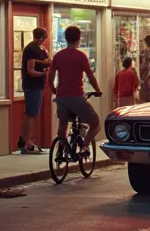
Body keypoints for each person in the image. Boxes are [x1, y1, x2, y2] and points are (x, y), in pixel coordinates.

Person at [50, 26, 102, 151]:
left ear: (66, 38)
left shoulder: (58, 56)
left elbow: (50, 76)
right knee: (95, 123)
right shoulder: (81, 56)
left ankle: (60, 150)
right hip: (76, 97)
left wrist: (53, 89)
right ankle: (84, 147)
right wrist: (98, 90)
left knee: (63, 123)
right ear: (79, 38)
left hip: (61, 97)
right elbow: (90, 76)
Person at [18, 26, 52, 154]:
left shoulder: (40, 49)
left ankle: (28, 141)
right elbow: (30, 71)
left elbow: (46, 60)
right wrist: (45, 75)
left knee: (33, 114)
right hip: (32, 86)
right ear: (42, 38)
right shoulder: (31, 50)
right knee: (31, 114)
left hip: (38, 86)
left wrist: (45, 62)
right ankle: (26, 142)